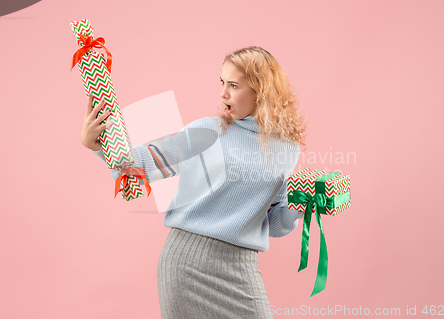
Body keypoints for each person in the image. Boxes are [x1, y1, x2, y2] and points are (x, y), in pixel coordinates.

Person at [80, 46, 307, 319]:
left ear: (262, 90)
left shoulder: (287, 148)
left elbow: (274, 222)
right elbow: (143, 164)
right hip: (185, 263)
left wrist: (303, 202)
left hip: (241, 267)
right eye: (222, 82)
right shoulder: (208, 130)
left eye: (234, 85)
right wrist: (96, 145)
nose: (223, 93)